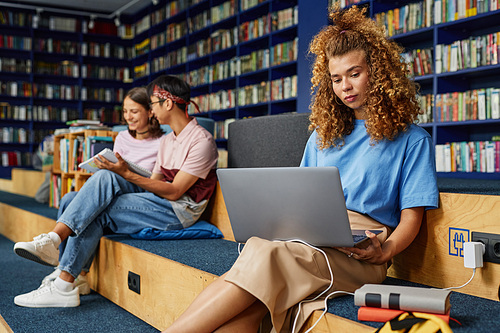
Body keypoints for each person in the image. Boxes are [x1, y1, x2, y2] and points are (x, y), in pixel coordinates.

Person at [163, 6, 439, 333]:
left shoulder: (412, 140)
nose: (345, 86)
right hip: (306, 240)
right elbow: (300, 198)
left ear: (377, 74)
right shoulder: (323, 136)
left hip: (360, 254)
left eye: (354, 74)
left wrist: (385, 252)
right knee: (253, 303)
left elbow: (412, 218)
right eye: (336, 79)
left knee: (266, 258)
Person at [13, 75, 219, 308]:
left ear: (168, 103)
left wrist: (126, 173)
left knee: (98, 208)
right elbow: (154, 182)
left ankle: (63, 281)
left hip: (179, 210)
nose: (151, 110)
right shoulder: (169, 140)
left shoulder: (201, 141)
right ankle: (66, 266)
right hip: (159, 200)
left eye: (152, 104)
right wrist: (122, 173)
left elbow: (174, 192)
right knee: (78, 194)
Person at [42, 86, 165, 296]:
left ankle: (56, 247)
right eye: (125, 111)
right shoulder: (123, 137)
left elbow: (157, 180)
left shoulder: (163, 141)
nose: (128, 117)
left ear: (150, 111)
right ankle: (77, 276)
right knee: (70, 198)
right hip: (117, 187)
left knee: (108, 177)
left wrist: (121, 172)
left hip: (140, 191)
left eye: (134, 111)